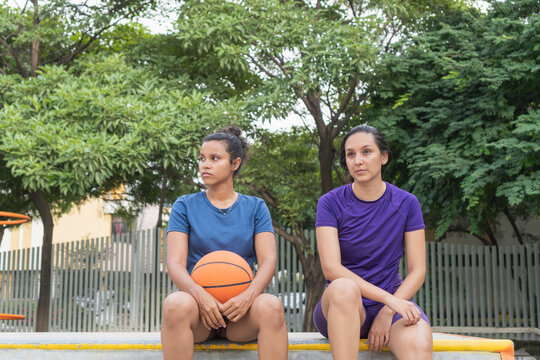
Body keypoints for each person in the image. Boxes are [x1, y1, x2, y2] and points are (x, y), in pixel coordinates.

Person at [161, 126, 288, 360]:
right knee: (174, 303)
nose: (204, 165)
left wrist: (247, 297)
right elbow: (175, 263)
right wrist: (201, 297)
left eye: (214, 158)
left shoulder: (256, 207)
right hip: (199, 313)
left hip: (241, 314)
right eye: (201, 159)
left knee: (271, 305)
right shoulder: (185, 205)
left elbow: (269, 260)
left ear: (234, 163)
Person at [313, 124, 432, 360]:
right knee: (344, 287)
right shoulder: (330, 203)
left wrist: (389, 310)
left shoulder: (407, 203)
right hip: (342, 307)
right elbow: (332, 269)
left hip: (393, 305)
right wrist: (389, 299)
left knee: (418, 343)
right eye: (351, 154)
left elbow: (418, 270)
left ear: (384, 156)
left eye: (367, 152)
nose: (358, 160)